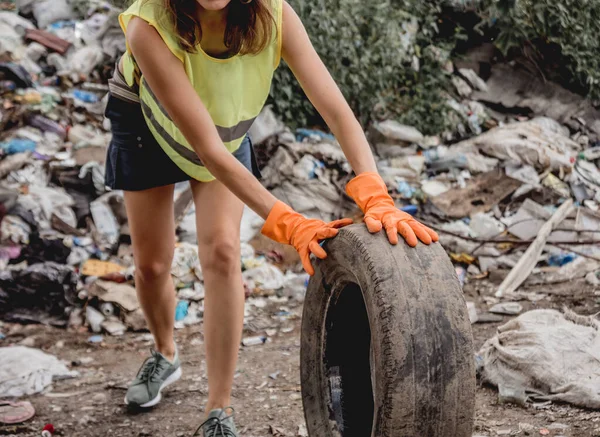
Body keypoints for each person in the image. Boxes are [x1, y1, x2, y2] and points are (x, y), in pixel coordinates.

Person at [104, 0, 439, 434]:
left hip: (224, 133)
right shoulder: (147, 27)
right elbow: (208, 151)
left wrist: (374, 191)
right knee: (151, 266)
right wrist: (289, 223)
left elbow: (335, 110)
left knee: (223, 252)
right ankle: (165, 353)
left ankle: (217, 410)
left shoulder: (273, 15)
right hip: (148, 126)